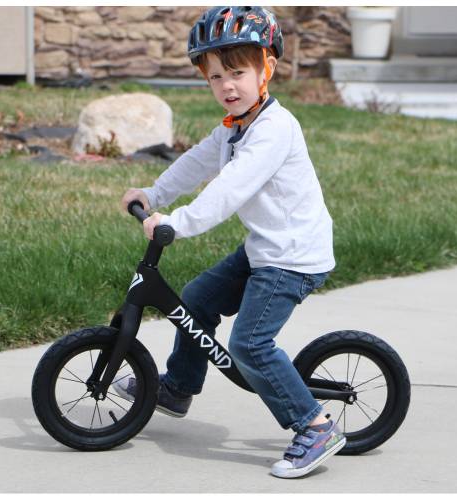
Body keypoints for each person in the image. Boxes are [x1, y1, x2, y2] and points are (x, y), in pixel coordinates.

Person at [115, 6, 344, 478]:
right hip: (267, 246)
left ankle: (315, 425)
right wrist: (153, 194)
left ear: (268, 68)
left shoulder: (274, 129)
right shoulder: (235, 126)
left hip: (293, 256)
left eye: (237, 72)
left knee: (250, 344)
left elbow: (229, 189)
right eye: (215, 76)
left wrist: (176, 222)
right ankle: (177, 387)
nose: (227, 86)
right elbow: (198, 162)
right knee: (196, 297)